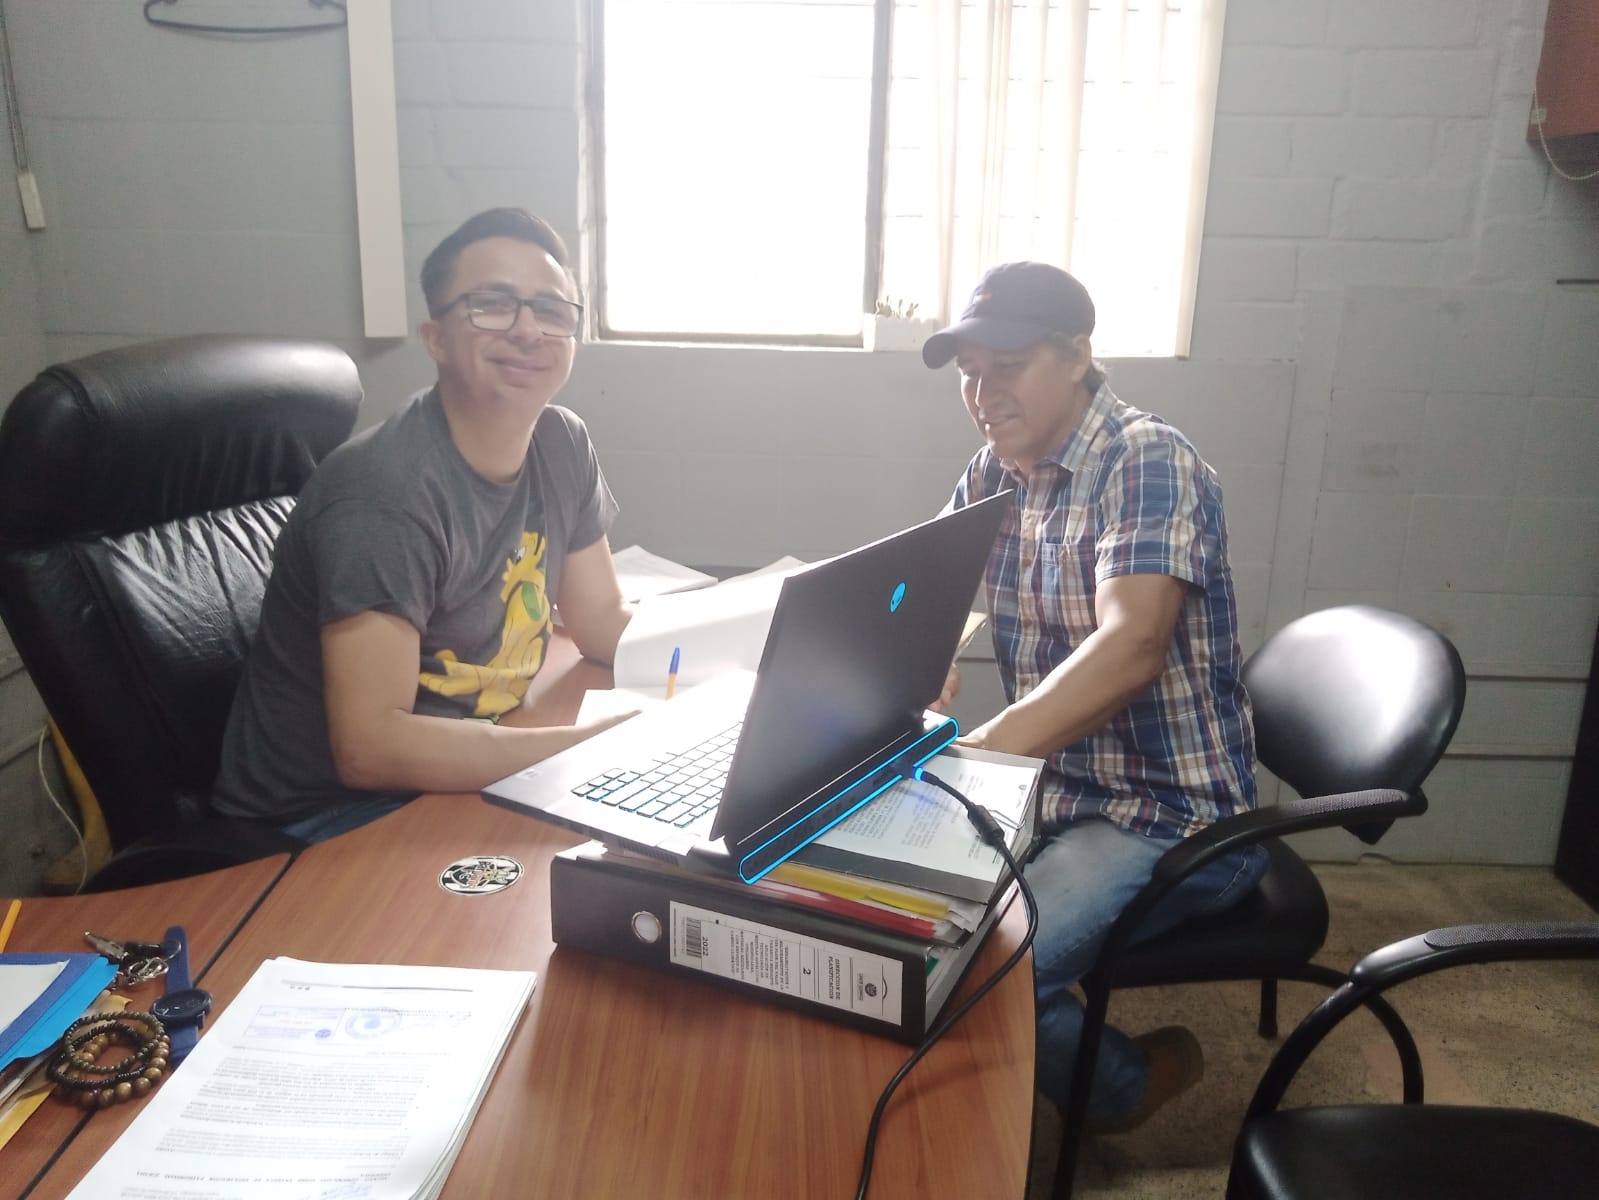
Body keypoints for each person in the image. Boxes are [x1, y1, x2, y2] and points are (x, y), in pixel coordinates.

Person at [922, 262, 1267, 1132]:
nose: (983, 394)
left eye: (1007, 367)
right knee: (893, 923)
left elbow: (1131, 646)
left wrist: (977, 753)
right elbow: (931, 601)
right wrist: (916, 663)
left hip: (1170, 816)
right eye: (969, 372)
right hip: (1053, 791)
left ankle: (1121, 1088)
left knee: (969, 971)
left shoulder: (1145, 459)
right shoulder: (994, 471)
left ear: (1076, 356)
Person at [214, 208, 635, 843]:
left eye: (551, 310)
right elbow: (370, 749)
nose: (529, 330)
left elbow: (600, 619)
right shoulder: (385, 495)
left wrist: (734, 683)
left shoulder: (562, 443)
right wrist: (582, 748)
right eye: (493, 305)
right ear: (435, 338)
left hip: (461, 769)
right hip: (321, 823)